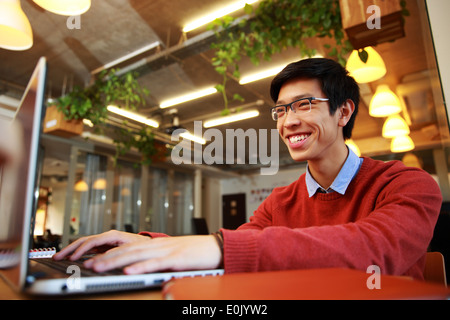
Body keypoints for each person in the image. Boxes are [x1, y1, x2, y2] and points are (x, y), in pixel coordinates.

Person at [54, 58, 442, 280]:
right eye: (281, 110)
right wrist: (154, 245)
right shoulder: (280, 201)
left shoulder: (407, 184)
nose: (287, 122)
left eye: (304, 104)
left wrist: (223, 247)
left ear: (344, 111)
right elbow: (244, 246)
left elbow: (374, 250)